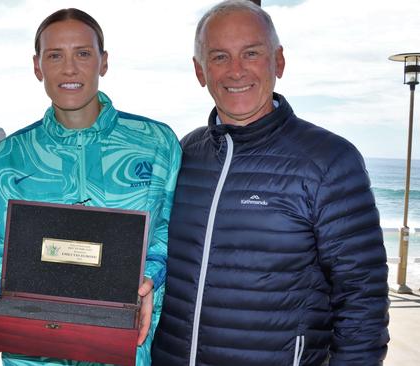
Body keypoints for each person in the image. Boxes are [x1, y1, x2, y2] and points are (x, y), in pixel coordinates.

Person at [151, 1, 389, 365]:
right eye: (219, 57)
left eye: (251, 53)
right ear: (200, 71)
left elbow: (362, 298)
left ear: (278, 61)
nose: (235, 71)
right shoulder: (185, 153)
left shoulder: (329, 161)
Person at [0, 8, 182, 366]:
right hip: (33, 353)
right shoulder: (7, 159)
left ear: (103, 62)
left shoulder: (156, 143)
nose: (70, 68)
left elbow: (168, 236)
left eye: (83, 53)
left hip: (126, 346)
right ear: (37, 66)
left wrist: (150, 277)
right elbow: (2, 259)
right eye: (55, 55)